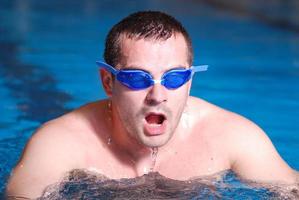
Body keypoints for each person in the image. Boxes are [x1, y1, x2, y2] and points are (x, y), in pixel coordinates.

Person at [6, 11, 298, 199]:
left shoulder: (231, 137)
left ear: (190, 82)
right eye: (136, 78)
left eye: (174, 78)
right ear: (108, 82)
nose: (157, 95)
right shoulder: (60, 143)